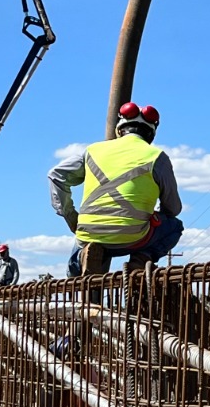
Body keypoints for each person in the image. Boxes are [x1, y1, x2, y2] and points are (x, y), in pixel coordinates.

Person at [49, 101, 183, 276]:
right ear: (151, 133)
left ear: (119, 130)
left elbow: (56, 175)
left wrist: (70, 215)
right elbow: (173, 208)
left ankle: (81, 262)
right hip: (134, 237)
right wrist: (156, 214)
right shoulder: (157, 157)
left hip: (90, 233)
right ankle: (141, 259)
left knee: (82, 247)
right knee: (174, 226)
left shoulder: (92, 150)